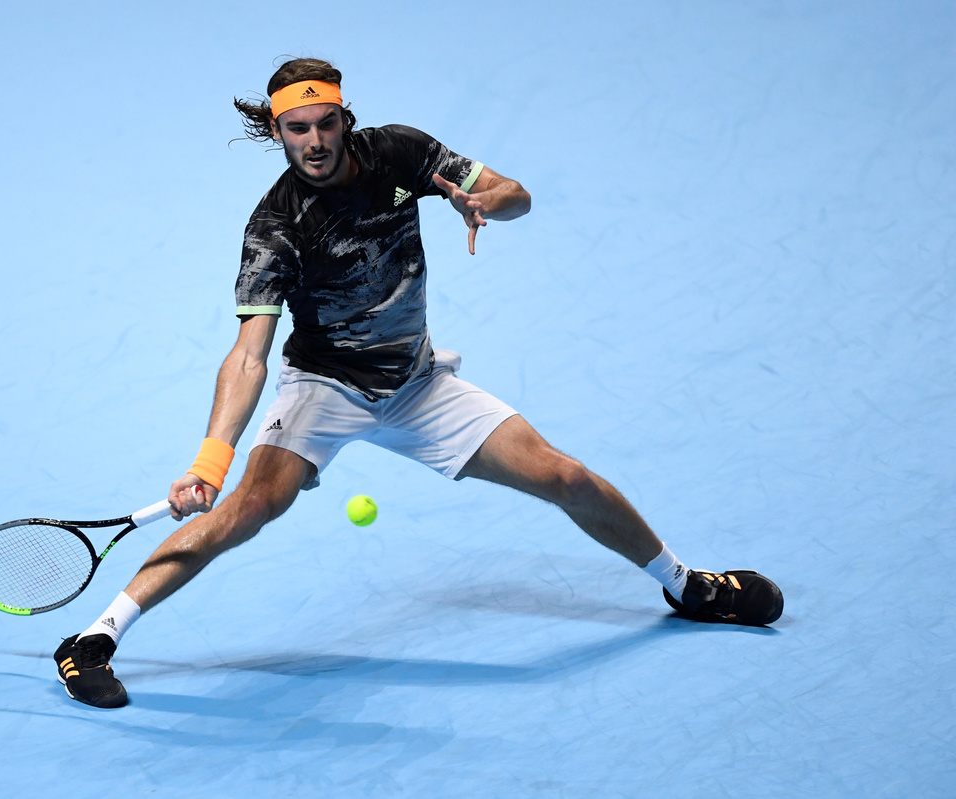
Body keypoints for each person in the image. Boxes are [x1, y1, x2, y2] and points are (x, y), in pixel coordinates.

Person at [53, 58, 783, 708]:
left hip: (416, 383)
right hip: (325, 386)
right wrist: (210, 461)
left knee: (566, 476)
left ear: (346, 118)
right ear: (278, 133)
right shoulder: (274, 228)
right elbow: (248, 357)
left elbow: (515, 193)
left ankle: (688, 586)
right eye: (297, 129)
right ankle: (94, 639)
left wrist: (489, 202)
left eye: (326, 123)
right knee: (250, 507)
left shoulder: (400, 151)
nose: (314, 141)